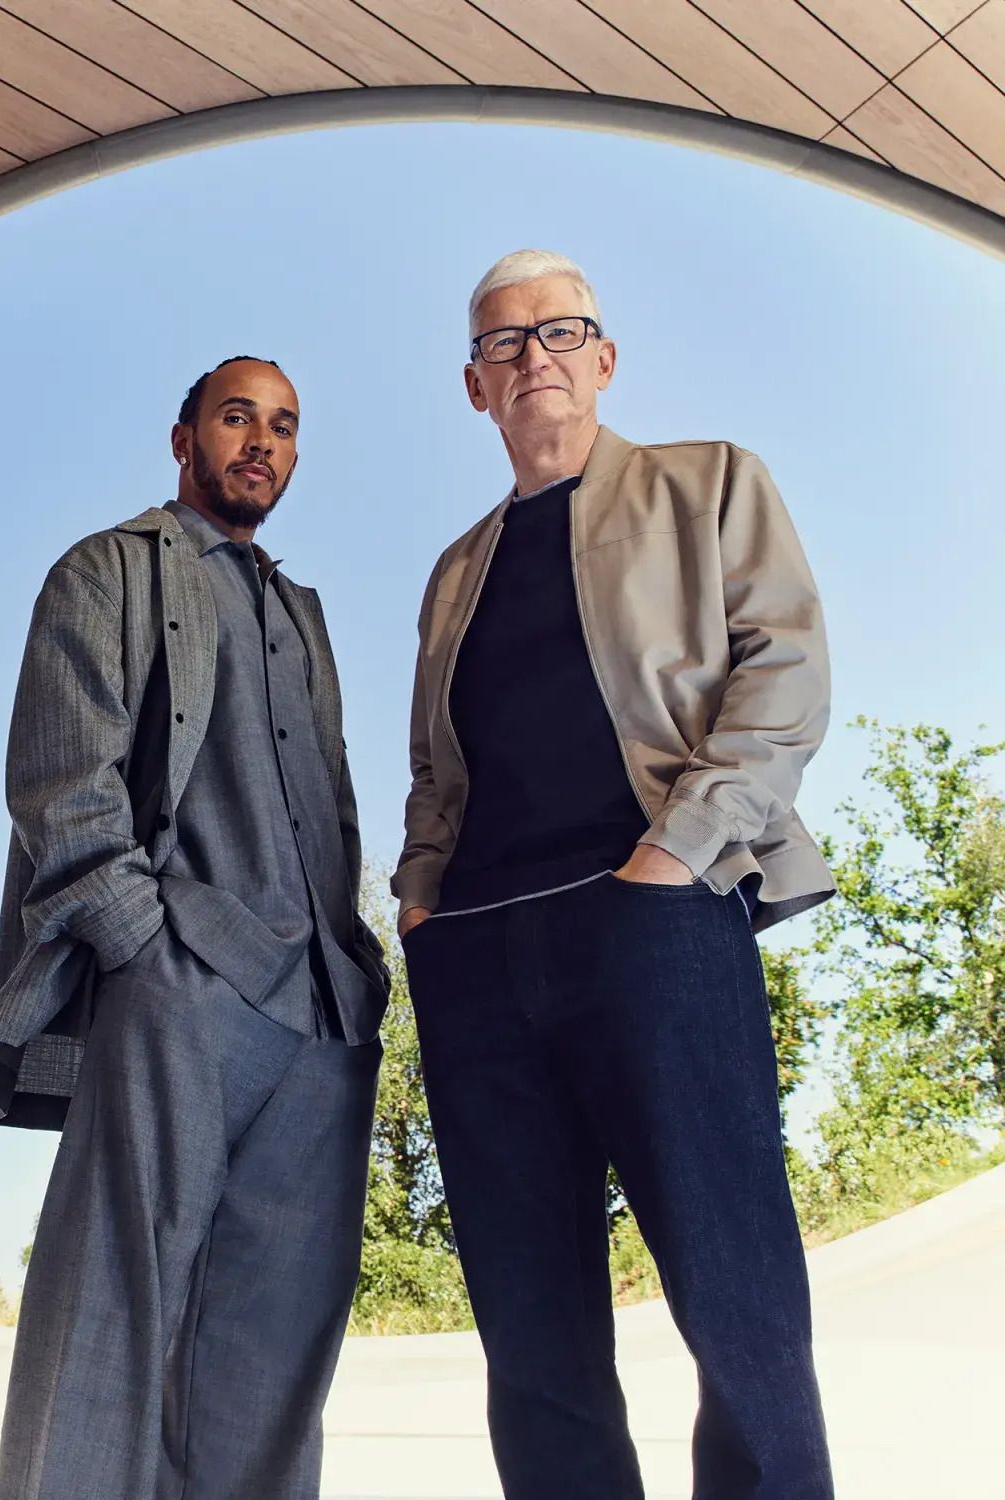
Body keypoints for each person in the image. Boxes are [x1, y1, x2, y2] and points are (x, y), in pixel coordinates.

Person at [393, 249, 835, 1499]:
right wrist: (421, 899)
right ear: (475, 386)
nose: (533, 354)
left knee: (737, 1296)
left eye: (558, 330)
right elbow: (435, 762)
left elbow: (784, 671)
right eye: (503, 340)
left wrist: (675, 854)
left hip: (652, 918)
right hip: (477, 956)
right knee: (530, 1334)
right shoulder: (455, 569)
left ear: (603, 358)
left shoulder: (711, 482)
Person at [0, 356, 389, 1500]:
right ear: (184, 438)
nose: (262, 442)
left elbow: (335, 810)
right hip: (181, 984)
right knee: (111, 1317)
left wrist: (358, 966)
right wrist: (143, 946)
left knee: (278, 1357)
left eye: (284, 425)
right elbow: (62, 779)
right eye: (237, 417)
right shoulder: (107, 568)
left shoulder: (301, 614)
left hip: (323, 1015)